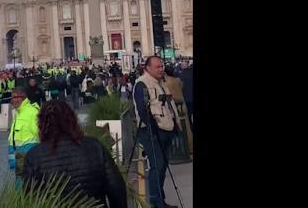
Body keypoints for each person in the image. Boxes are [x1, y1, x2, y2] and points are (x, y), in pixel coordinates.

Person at [21, 100, 127, 207]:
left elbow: (30, 198)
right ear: (72, 120)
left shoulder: (34, 156)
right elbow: (117, 188)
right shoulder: (95, 147)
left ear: (42, 124)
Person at [133, 56, 180, 208]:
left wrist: (175, 124)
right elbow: (142, 109)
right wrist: (152, 126)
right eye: (157, 67)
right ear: (147, 68)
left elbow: (168, 105)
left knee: (162, 166)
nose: (161, 69)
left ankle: (160, 200)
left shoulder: (161, 83)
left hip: (166, 128)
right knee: (157, 165)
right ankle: (156, 201)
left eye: (162, 66)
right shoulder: (141, 84)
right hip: (151, 131)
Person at [7, 86, 40, 187]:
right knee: (20, 183)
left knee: (25, 185)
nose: (12, 100)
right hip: (20, 156)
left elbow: (40, 134)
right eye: (12, 98)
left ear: (23, 98)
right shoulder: (20, 112)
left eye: (15, 97)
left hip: (27, 156)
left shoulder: (32, 112)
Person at [180, 61, 193, 133]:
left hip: (187, 98)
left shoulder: (181, 75)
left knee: (188, 115)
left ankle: (190, 130)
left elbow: (181, 87)